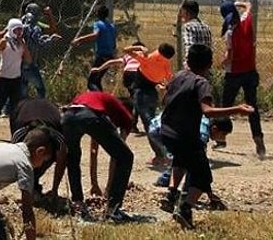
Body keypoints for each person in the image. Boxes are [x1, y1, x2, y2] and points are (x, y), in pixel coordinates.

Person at [160, 44, 254, 229]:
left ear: (187, 60)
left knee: (181, 159)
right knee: (203, 176)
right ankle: (185, 209)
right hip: (185, 136)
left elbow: (165, 99)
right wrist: (238, 109)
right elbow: (208, 111)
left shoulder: (178, 75)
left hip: (167, 133)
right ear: (209, 64)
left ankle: (171, 195)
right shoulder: (201, 83)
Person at [61, 91, 136, 223]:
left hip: (68, 116)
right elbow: (117, 156)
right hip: (90, 116)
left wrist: (96, 184)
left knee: (73, 159)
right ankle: (114, 209)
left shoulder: (98, 100)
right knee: (126, 157)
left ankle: (78, 204)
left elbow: (93, 150)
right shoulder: (127, 117)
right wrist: (108, 190)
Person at [151, 114, 230, 212]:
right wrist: (210, 194)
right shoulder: (202, 134)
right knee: (193, 164)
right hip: (162, 131)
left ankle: (171, 194)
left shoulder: (203, 121)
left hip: (159, 127)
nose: (223, 138)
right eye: (224, 134)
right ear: (214, 129)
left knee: (181, 158)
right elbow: (200, 164)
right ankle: (184, 203)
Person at [0, 4, 61, 100]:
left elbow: (52, 29)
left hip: (28, 61)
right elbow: (5, 32)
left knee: (22, 88)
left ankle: (11, 109)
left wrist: (50, 16)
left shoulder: (36, 25)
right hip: (23, 61)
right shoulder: (22, 25)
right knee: (31, 88)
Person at [219, 0, 265, 158]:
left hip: (234, 73)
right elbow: (249, 6)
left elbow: (230, 56)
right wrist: (238, 3)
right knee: (252, 107)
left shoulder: (230, 32)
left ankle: (220, 136)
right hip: (250, 72)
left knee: (225, 106)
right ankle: (258, 140)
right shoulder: (246, 21)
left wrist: (223, 61)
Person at [122, 43, 175, 165]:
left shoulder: (148, 58)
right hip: (152, 94)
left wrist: (139, 48)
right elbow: (170, 79)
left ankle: (161, 155)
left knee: (150, 126)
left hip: (141, 93)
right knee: (152, 122)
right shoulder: (166, 63)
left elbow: (125, 50)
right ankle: (163, 153)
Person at [10, 98, 67, 204]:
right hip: (21, 109)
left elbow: (61, 162)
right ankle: (33, 187)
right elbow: (17, 161)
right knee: (27, 161)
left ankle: (34, 186)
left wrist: (55, 190)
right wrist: (26, 193)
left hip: (49, 109)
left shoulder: (58, 138)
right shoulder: (19, 135)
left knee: (38, 162)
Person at [0, 18, 31, 138]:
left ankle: (14, 134)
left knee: (15, 108)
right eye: (16, 30)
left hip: (16, 79)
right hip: (3, 78)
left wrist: (23, 44)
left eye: (20, 30)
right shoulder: (4, 41)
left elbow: (28, 59)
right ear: (11, 29)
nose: (19, 32)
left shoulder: (21, 43)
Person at [90, 40, 145, 133]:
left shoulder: (128, 56)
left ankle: (131, 122)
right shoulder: (144, 54)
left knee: (134, 98)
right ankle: (133, 124)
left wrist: (99, 69)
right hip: (139, 74)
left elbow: (112, 62)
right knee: (137, 100)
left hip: (128, 74)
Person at [71, 5, 117, 92]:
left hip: (102, 56)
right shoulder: (111, 26)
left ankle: (98, 99)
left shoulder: (98, 24)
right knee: (97, 80)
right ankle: (101, 100)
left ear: (97, 14)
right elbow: (114, 44)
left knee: (91, 82)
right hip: (110, 56)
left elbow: (95, 35)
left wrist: (79, 39)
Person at [178, 0, 212, 65]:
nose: (182, 16)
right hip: (205, 65)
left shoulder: (188, 26)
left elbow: (189, 46)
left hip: (194, 66)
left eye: (182, 13)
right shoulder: (206, 27)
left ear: (186, 13)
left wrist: (187, 64)